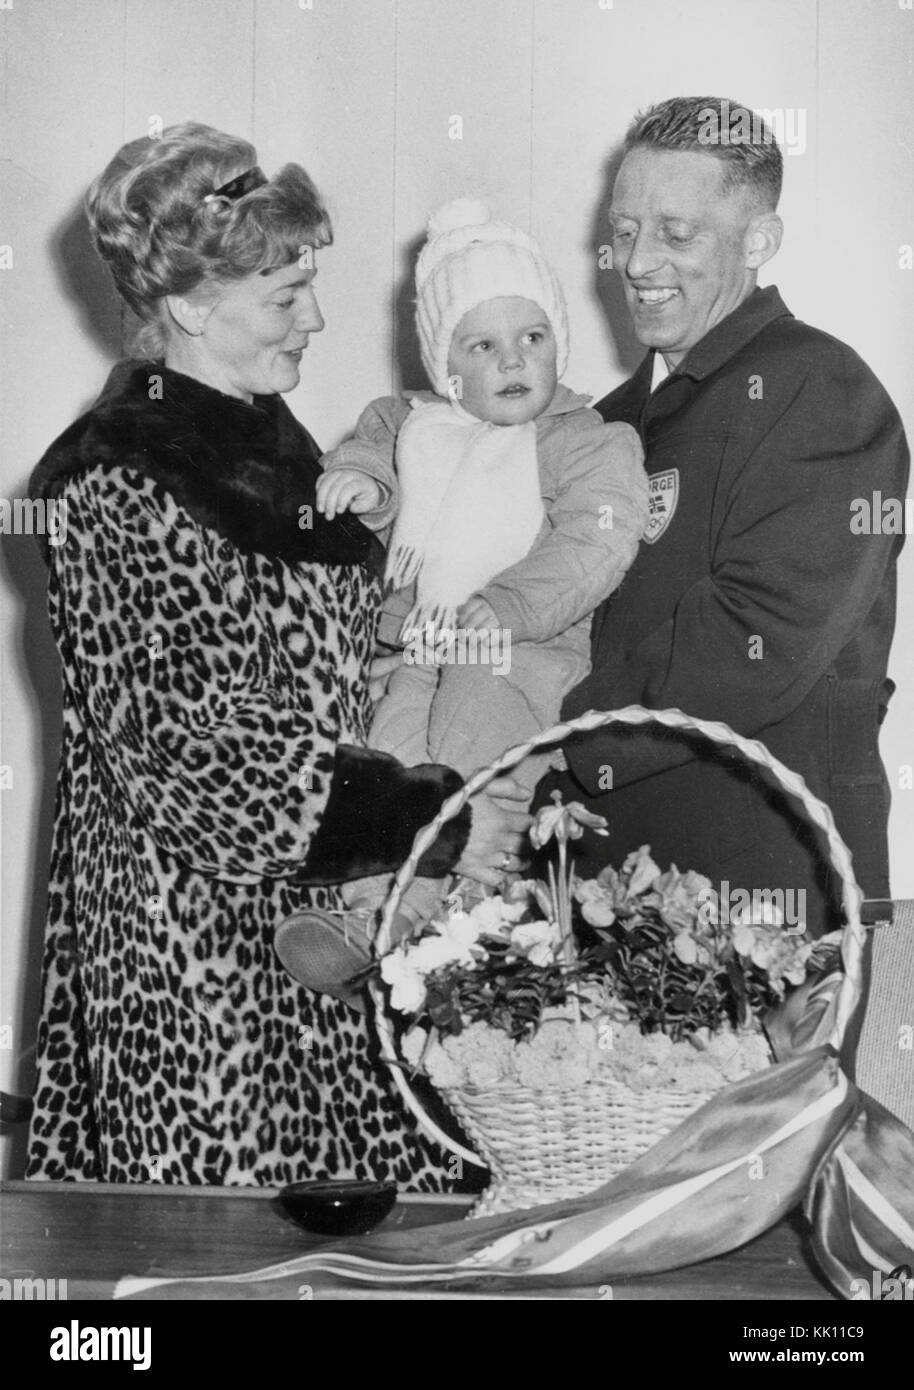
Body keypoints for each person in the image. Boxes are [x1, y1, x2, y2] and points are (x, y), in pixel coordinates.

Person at [24, 124, 527, 1186]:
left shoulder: (270, 440)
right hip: (198, 971)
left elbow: (318, 677)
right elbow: (202, 760)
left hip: (318, 936)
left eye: (310, 284)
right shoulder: (115, 472)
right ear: (192, 305)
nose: (317, 317)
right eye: (283, 296)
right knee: (215, 1257)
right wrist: (423, 813)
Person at [547, 96, 910, 952]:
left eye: (676, 234)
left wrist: (561, 743)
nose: (636, 262)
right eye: (624, 229)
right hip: (602, 894)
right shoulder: (602, 425)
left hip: (767, 889)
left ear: (758, 242)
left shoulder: (821, 389)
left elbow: (761, 630)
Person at [274, 200, 648, 1002]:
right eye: (484, 345)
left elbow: (599, 536)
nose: (514, 360)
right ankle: (374, 919)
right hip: (416, 647)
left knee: (477, 763)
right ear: (448, 367)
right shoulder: (413, 424)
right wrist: (364, 482)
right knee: (391, 763)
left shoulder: (587, 438)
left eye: (534, 338)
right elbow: (371, 450)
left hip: (522, 651)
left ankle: (473, 927)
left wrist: (512, 603)